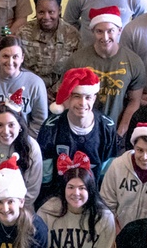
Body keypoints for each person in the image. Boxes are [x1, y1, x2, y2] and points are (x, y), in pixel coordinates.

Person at [38, 67, 121, 199]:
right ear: (67, 98)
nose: (82, 103)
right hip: (58, 196)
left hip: (94, 196)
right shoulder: (51, 127)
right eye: (76, 96)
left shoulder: (107, 127)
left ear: (94, 98)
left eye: (88, 97)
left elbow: (107, 174)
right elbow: (44, 177)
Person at [61, 6, 145, 135]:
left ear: (119, 30)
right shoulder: (77, 60)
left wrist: (122, 129)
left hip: (115, 132)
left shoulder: (134, 62)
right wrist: (76, 124)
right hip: (81, 130)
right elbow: (65, 95)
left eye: (110, 31)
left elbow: (135, 101)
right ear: (93, 32)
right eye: (99, 31)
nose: (105, 37)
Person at [0, 35, 49, 136]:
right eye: (5, 56)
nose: (10, 62)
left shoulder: (35, 84)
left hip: (24, 143)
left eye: (15, 56)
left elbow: (40, 122)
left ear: (22, 58)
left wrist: (25, 143)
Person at [18, 0, 81, 94]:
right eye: (41, 12)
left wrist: (53, 93)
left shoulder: (72, 35)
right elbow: (17, 69)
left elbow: (75, 71)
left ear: (60, 10)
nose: (46, 17)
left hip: (60, 95)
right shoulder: (23, 33)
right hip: (28, 92)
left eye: (51, 12)